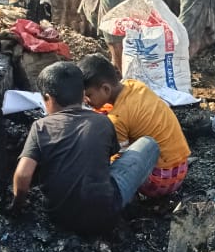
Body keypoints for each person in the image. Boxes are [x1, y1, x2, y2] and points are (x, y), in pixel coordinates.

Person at [11, 62, 161, 236]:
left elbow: (23, 174)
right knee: (149, 144)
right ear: (83, 95)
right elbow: (111, 158)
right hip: (106, 217)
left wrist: (17, 206)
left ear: (48, 99)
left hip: (59, 218)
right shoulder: (103, 122)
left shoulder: (40, 127)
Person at [79, 55, 191, 199]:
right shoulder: (134, 85)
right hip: (180, 167)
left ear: (106, 89)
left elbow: (121, 159)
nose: (86, 101)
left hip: (161, 181)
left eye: (89, 95)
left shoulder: (117, 119)